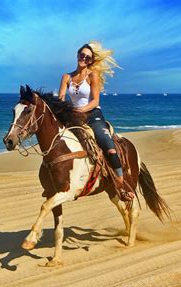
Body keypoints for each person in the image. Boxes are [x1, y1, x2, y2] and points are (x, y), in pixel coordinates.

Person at [58, 41, 134, 201]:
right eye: (82, 55)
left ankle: (121, 183)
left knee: (108, 145)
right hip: (72, 117)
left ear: (91, 61)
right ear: (77, 54)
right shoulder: (66, 77)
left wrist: (78, 110)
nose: (83, 58)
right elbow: (61, 99)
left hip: (92, 115)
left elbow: (95, 101)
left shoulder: (93, 76)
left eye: (87, 57)